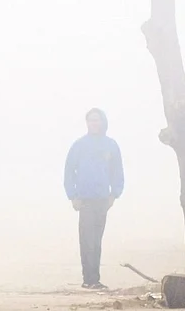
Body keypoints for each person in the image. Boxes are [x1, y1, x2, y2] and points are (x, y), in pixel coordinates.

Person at [63, 108, 124, 291]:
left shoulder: (111, 145)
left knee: (97, 241)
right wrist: (72, 196)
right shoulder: (79, 145)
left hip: (103, 200)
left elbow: (117, 171)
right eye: (90, 120)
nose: (93, 123)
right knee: (87, 240)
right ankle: (88, 279)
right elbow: (68, 172)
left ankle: (95, 279)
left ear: (103, 122)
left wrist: (115, 194)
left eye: (96, 120)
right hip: (85, 200)